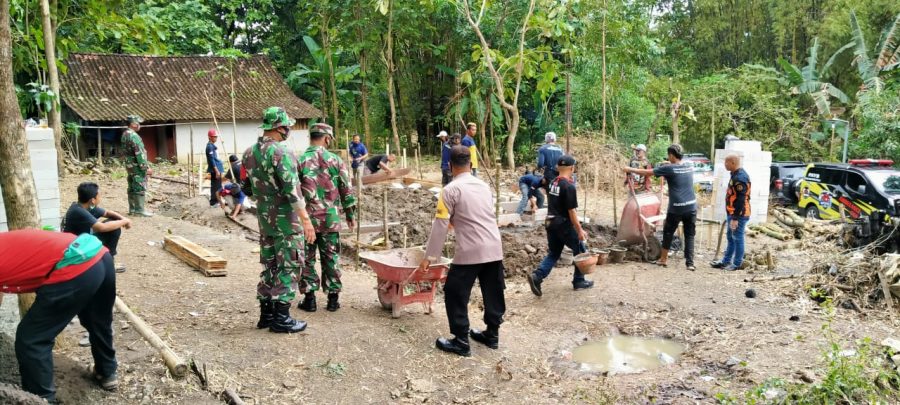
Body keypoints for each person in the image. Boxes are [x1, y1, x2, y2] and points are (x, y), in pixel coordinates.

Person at [0, 230, 118, 403]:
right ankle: (106, 372)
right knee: (97, 321)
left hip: (74, 264)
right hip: (98, 254)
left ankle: (41, 400)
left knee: (32, 339)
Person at [416, 145, 505, 357]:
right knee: (493, 292)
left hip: (470, 251)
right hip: (494, 247)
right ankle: (492, 335)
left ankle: (461, 340)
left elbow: (440, 226)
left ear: (449, 166)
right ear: (471, 165)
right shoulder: (483, 186)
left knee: (455, 293)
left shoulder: (449, 190)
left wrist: (429, 258)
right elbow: (478, 214)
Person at [241, 106, 316, 333]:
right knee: (289, 265)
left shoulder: (248, 153)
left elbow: (247, 189)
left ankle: (266, 314)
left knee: (270, 266)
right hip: (287, 221)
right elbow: (293, 191)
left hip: (265, 221)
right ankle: (282, 318)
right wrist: (306, 221)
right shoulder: (282, 154)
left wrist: (266, 201)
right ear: (279, 128)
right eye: (288, 127)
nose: (289, 131)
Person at [297, 123, 358, 312]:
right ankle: (333, 299)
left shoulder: (300, 160)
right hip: (330, 218)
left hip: (308, 219)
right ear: (327, 138)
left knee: (307, 258)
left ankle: (310, 299)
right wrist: (350, 214)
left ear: (311, 137)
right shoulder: (336, 161)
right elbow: (346, 189)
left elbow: (294, 193)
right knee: (331, 257)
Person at [623, 144, 697, 270]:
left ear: (672, 155)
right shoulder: (689, 166)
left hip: (677, 207)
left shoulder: (669, 168)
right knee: (690, 235)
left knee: (668, 232)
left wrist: (629, 169)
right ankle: (690, 263)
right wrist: (668, 162)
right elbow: (676, 166)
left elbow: (647, 172)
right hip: (691, 206)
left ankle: (663, 259)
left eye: (669, 156)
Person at [528, 155, 594, 296]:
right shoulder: (568, 186)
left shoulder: (553, 183)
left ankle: (537, 276)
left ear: (558, 168)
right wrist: (580, 230)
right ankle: (579, 281)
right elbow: (572, 212)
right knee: (581, 249)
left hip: (550, 222)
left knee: (554, 252)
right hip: (563, 224)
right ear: (572, 168)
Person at [63, 182, 132, 273]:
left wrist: (123, 218)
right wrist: (124, 221)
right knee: (113, 228)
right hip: (75, 248)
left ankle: (105, 260)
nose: (100, 198)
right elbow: (102, 227)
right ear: (93, 200)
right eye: (99, 196)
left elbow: (107, 213)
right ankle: (108, 264)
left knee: (112, 221)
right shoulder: (78, 211)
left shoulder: (85, 206)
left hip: (81, 240)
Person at [711, 154, 751, 271]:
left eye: (726, 163)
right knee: (731, 237)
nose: (725, 165)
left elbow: (740, 199)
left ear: (733, 162)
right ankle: (725, 261)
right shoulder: (735, 175)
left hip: (739, 214)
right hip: (732, 213)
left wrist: (735, 218)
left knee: (737, 238)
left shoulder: (741, 178)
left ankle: (737, 263)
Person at [121, 115, 153, 216]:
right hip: (137, 165)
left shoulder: (125, 134)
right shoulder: (134, 136)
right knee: (139, 185)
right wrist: (145, 167)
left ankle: (133, 209)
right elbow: (140, 153)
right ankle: (140, 210)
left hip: (129, 165)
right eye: (138, 123)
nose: (140, 125)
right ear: (133, 124)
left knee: (131, 185)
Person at [206, 129, 225, 207]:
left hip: (217, 168)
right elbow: (211, 159)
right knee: (215, 186)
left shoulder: (213, 146)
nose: (216, 138)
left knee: (218, 185)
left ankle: (217, 200)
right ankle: (213, 202)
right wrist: (216, 170)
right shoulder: (209, 147)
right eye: (214, 137)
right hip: (215, 169)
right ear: (210, 137)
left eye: (216, 137)